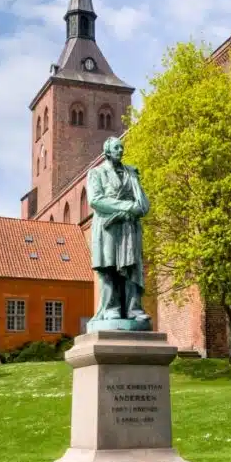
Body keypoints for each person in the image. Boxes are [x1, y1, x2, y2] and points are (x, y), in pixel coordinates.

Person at [87, 136, 150, 325]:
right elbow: (95, 200)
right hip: (108, 227)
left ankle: (133, 309)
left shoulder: (131, 174)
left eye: (122, 148)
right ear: (107, 151)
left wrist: (135, 207)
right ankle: (111, 309)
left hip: (129, 227)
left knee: (132, 268)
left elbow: (143, 204)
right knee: (110, 267)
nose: (120, 151)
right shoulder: (96, 173)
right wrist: (126, 207)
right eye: (116, 148)